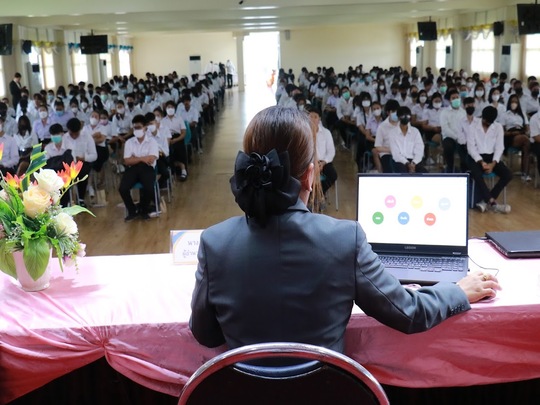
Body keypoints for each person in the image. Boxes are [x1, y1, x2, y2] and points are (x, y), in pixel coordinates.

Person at [189, 105, 501, 352]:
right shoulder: (343, 239)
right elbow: (409, 312)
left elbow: (205, 334)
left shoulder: (215, 243)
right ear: (310, 175)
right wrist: (458, 290)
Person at [465, 106, 512, 213]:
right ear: (482, 117)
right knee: (477, 174)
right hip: (475, 157)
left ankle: (485, 201)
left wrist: (493, 164)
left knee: (508, 175)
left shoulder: (498, 127)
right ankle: (491, 201)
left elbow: (499, 147)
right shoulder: (472, 127)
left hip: (492, 157)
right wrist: (481, 162)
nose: (488, 124)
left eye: (490, 123)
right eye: (486, 122)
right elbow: (471, 148)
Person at [119, 114, 159, 221]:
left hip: (147, 168)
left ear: (145, 128)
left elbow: (151, 159)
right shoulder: (129, 142)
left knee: (149, 188)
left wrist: (135, 158)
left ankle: (144, 210)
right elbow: (127, 161)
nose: (136, 130)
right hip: (132, 168)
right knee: (123, 188)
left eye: (139, 127)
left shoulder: (152, 141)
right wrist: (142, 158)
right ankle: (132, 211)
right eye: (135, 128)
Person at [62, 118, 97, 207]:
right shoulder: (64, 138)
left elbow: (94, 155)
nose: (74, 136)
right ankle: (66, 201)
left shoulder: (87, 137)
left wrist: (84, 158)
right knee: (62, 174)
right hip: (68, 164)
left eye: (76, 134)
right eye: (71, 134)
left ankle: (81, 198)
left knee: (82, 172)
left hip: (83, 162)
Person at [305, 105, 337, 195]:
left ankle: (320, 194)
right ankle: (309, 195)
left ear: (319, 119)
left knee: (333, 175)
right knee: (303, 176)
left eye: (315, 117)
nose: (312, 119)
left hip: (323, 162)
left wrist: (323, 163)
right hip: (309, 163)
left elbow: (331, 151)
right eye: (310, 116)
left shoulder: (326, 132)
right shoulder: (304, 132)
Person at [389, 106, 428, 173]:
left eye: (407, 116)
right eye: (403, 116)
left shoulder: (415, 131)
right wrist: (407, 163)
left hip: (414, 161)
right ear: (398, 117)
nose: (405, 118)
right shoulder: (392, 133)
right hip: (399, 161)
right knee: (403, 173)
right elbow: (396, 153)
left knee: (424, 173)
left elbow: (419, 149)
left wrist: (414, 163)